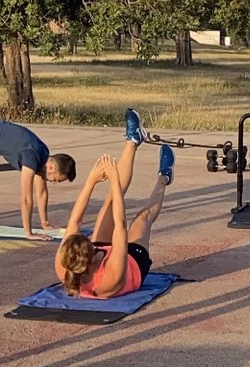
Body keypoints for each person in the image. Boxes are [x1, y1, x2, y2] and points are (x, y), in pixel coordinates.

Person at [54, 111, 173, 299]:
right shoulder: (109, 279)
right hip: (132, 264)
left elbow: (74, 221)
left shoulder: (64, 264)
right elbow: (120, 224)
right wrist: (114, 180)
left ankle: (133, 140)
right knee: (142, 218)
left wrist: (91, 181)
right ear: (92, 259)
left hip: (95, 262)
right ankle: (164, 176)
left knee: (109, 201)